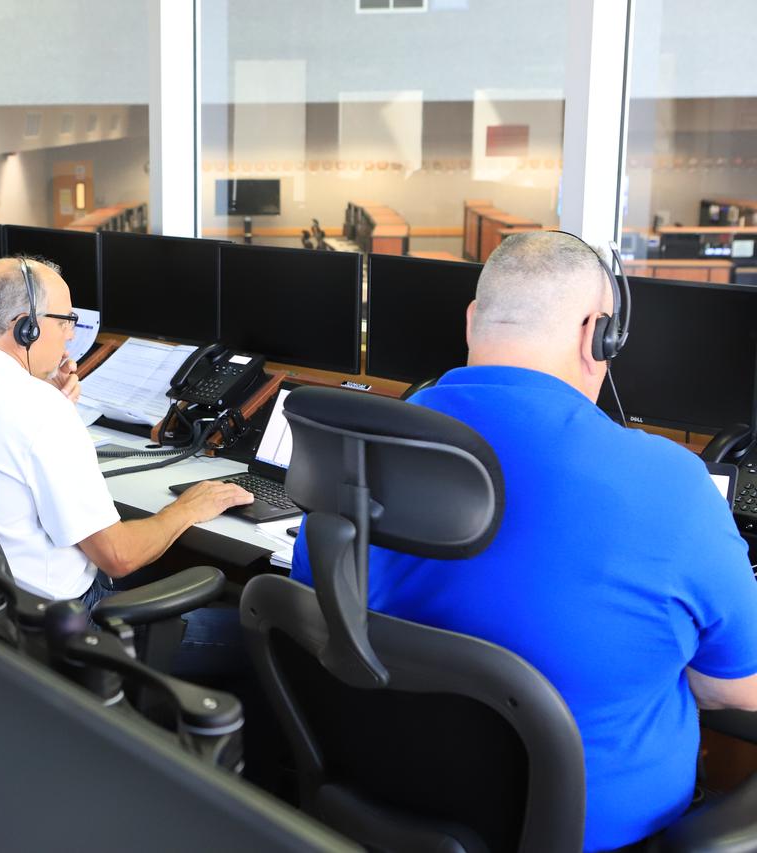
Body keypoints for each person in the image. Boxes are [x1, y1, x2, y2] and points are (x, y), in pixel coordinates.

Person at [289, 230, 757, 851]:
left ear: (471, 321)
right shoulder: (669, 480)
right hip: (586, 834)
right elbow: (737, 687)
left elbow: (319, 604)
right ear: (600, 334)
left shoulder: (363, 442)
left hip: (379, 803)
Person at [0, 257, 252, 661]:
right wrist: (187, 508)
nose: (70, 335)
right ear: (25, 327)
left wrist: (52, 406)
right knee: (262, 632)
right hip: (60, 626)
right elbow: (119, 557)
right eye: (65, 319)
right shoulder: (38, 409)